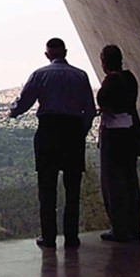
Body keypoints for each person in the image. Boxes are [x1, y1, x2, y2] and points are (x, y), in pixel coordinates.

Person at [9, 38, 96, 249]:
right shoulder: (81, 75)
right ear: (65, 52)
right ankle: (71, 238)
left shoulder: (39, 75)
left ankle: (48, 238)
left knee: (47, 189)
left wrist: (13, 111)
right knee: (72, 189)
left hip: (48, 133)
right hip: (73, 133)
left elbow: (24, 102)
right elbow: (90, 110)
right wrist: (80, 132)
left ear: (47, 55)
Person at [96, 44, 140, 242]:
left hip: (114, 136)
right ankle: (134, 226)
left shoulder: (111, 81)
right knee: (130, 180)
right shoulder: (130, 79)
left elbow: (102, 100)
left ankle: (119, 228)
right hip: (130, 133)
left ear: (105, 62)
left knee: (113, 183)